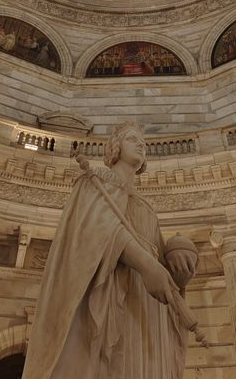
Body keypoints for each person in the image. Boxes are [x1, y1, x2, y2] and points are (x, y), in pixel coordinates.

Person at [22, 122, 197, 379]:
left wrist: (181, 275)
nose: (141, 144)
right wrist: (146, 265)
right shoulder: (94, 184)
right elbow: (92, 235)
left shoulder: (146, 207)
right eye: (131, 139)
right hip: (110, 295)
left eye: (143, 142)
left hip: (148, 310)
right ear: (115, 147)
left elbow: (163, 270)